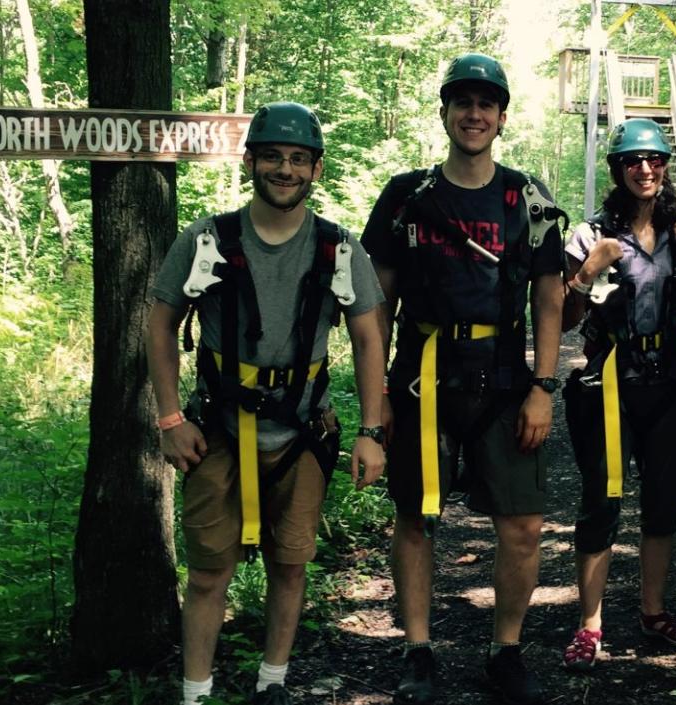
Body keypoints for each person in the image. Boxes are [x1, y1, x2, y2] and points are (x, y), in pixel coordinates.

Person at [148, 101, 387, 705]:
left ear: (316, 169)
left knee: (291, 563)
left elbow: (367, 339)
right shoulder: (207, 240)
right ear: (250, 160)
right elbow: (158, 324)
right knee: (207, 572)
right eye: (274, 157)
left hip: (303, 428)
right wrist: (170, 418)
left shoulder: (338, 248)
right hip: (217, 430)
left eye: (298, 159)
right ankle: (195, 692)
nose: (286, 169)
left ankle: (273, 683)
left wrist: (371, 431)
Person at [360, 53, 566, 705]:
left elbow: (550, 297)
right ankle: (417, 650)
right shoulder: (406, 198)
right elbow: (376, 307)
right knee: (416, 517)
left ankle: (506, 650)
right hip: (421, 379)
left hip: (504, 379)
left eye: (486, 104)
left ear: (502, 117)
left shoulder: (526, 198)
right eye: (462, 102)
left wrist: (543, 385)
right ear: (445, 111)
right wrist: (378, 401)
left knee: (524, 521)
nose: (473, 114)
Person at [559, 118, 676, 670]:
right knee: (601, 503)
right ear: (618, 170)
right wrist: (588, 271)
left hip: (667, 383)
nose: (645, 170)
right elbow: (565, 317)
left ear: (666, 167)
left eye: (654, 160)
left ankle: (653, 611)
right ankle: (589, 625)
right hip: (606, 385)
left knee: (662, 503)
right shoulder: (590, 234)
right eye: (633, 161)